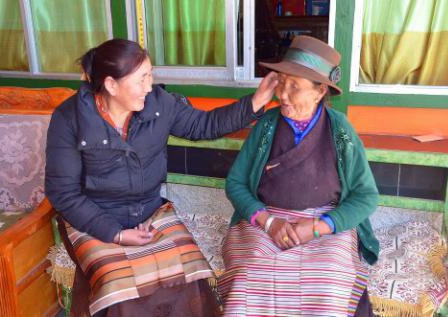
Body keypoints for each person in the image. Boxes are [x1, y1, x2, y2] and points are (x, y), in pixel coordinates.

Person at [45, 38, 278, 317]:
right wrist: (115, 234)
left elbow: (204, 125)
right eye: (141, 79)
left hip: (149, 211)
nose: (149, 86)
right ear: (110, 85)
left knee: (190, 279)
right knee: (120, 293)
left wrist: (256, 101)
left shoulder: (158, 104)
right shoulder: (70, 118)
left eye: (150, 75)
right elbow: (63, 193)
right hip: (94, 219)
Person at [219, 35, 379, 316]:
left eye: (294, 87)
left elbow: (366, 196)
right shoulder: (267, 125)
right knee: (249, 276)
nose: (282, 94)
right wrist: (268, 222)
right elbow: (236, 182)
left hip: (325, 222)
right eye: (281, 83)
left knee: (328, 282)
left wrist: (320, 226)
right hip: (267, 219)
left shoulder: (340, 130)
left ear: (319, 92)